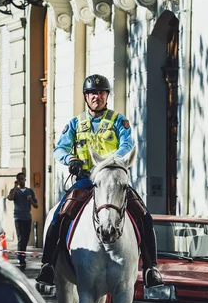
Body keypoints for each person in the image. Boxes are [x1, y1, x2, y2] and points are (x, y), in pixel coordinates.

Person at [36, 74, 164, 288]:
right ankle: (48, 265)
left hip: (113, 179)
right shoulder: (76, 123)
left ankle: (151, 268)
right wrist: (71, 159)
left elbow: (127, 144)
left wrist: (111, 161)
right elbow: (59, 148)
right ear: (86, 97)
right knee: (60, 215)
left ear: (107, 96)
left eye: (101, 93)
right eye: (93, 93)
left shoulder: (118, 121)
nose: (97, 97)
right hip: (86, 180)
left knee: (144, 217)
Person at [7, 172, 38, 271]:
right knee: (21, 238)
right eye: (19, 179)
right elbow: (10, 198)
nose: (21, 181)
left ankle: (22, 256)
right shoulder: (15, 191)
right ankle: (21, 259)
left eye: (22, 179)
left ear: (25, 179)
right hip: (18, 217)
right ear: (17, 180)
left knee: (25, 238)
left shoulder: (30, 191)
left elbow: (36, 205)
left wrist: (31, 201)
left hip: (27, 218)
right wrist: (15, 187)